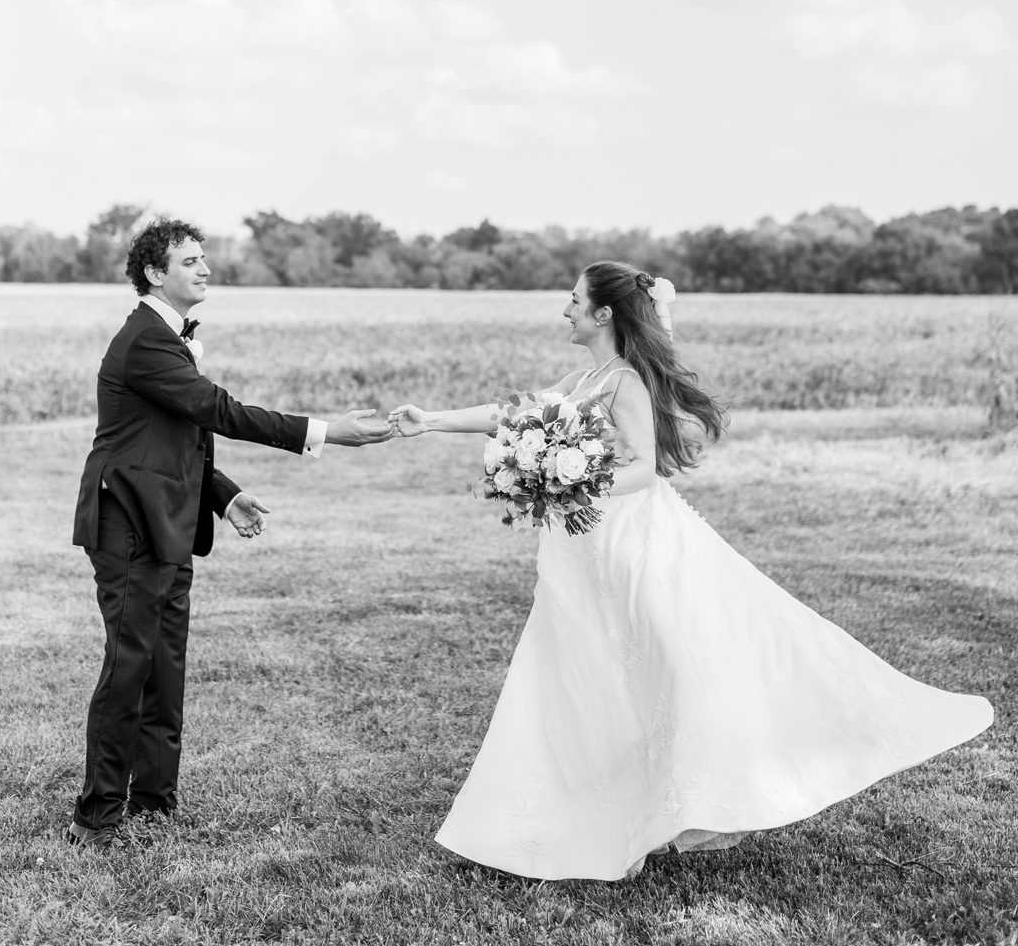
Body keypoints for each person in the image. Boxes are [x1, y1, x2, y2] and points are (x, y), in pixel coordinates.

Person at [390, 261, 995, 881]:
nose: (563, 309)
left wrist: (565, 480)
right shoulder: (583, 375)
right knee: (581, 674)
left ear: (603, 313)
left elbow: (645, 469)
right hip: (578, 550)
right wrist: (430, 420)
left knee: (659, 668)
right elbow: (511, 415)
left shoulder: (626, 383)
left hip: (628, 544)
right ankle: (593, 808)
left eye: (573, 300)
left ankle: (675, 798)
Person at [67, 218, 395, 846]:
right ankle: (98, 814)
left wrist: (224, 495)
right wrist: (324, 432)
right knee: (130, 662)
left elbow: (179, 435)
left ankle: (155, 801)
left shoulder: (170, 338)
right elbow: (218, 411)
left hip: (168, 517)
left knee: (166, 663)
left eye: (204, 259)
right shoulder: (145, 342)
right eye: (190, 260)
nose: (205, 268)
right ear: (156, 273)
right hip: (127, 521)